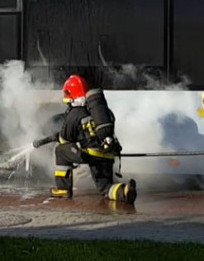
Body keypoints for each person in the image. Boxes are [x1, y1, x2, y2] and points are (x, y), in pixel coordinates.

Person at [33, 74, 136, 204]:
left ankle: (63, 189)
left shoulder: (75, 113)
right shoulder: (103, 112)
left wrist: (57, 137)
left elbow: (65, 139)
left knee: (60, 150)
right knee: (105, 188)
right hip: (108, 153)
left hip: (90, 154)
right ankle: (124, 191)